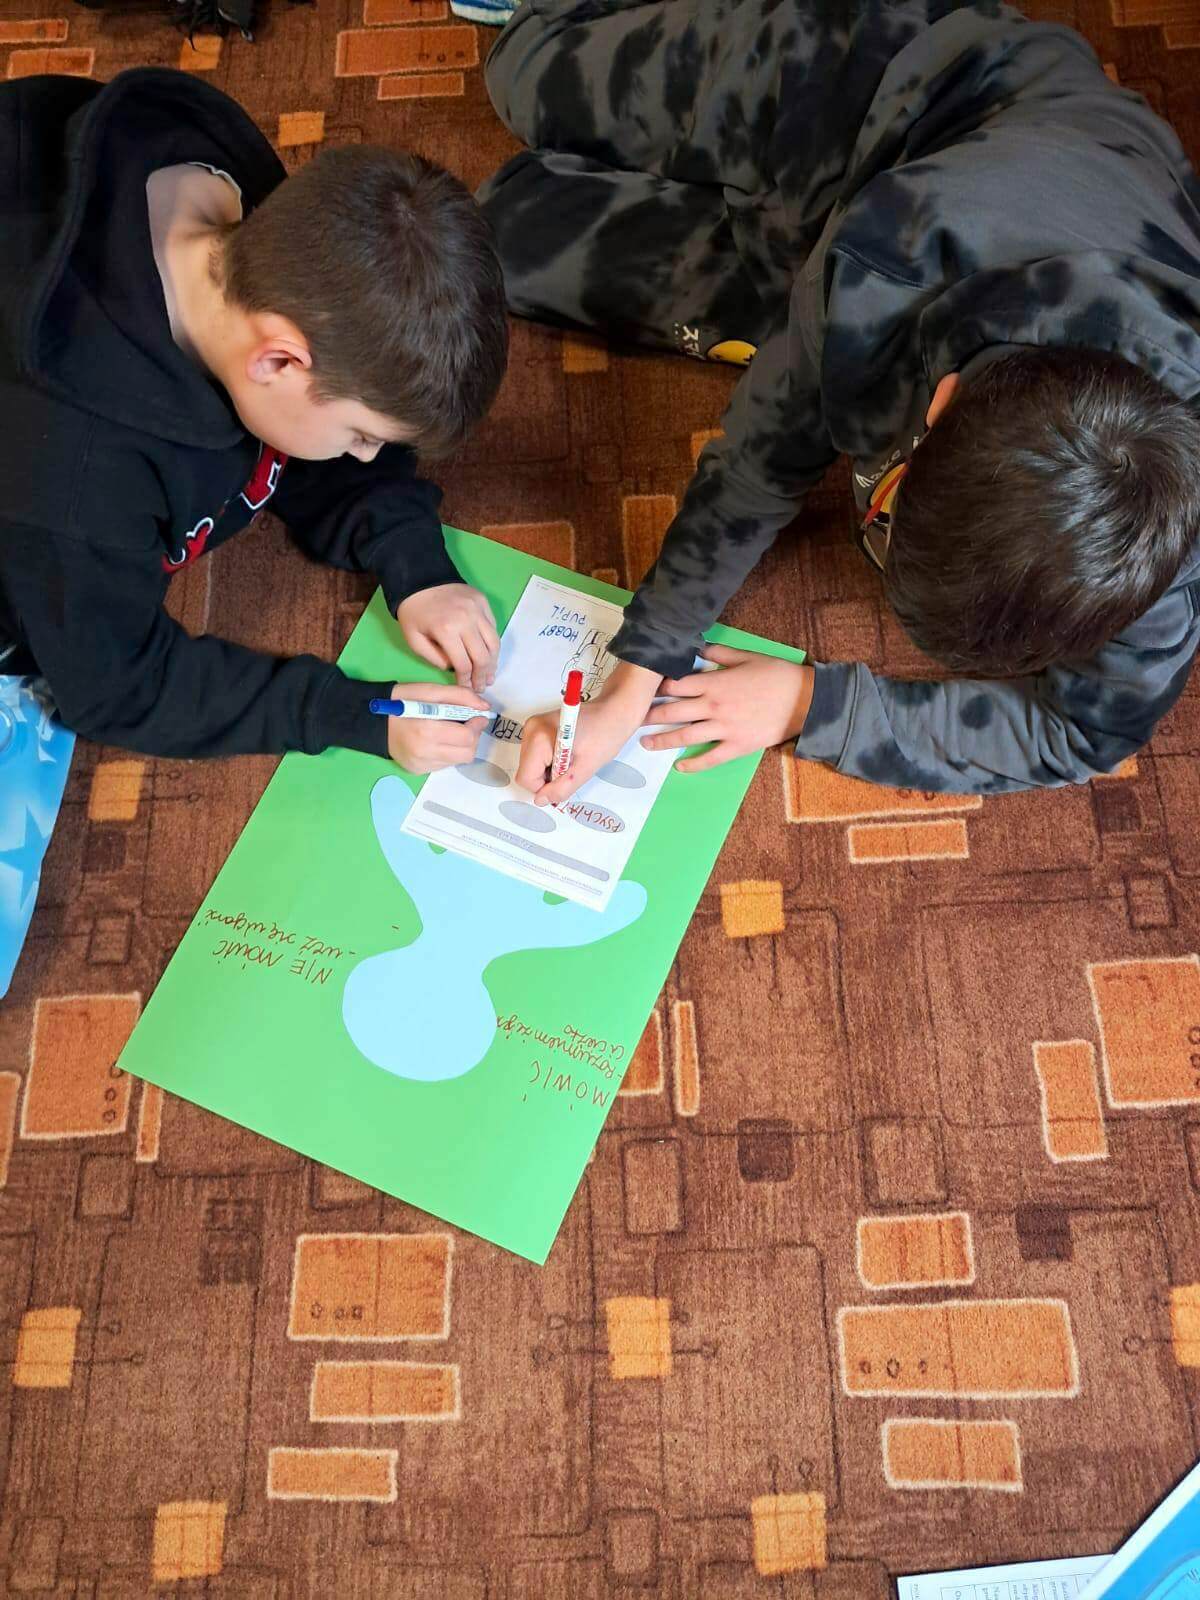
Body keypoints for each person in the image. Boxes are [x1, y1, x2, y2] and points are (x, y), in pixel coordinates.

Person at [477, 0, 1200, 802]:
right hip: (893, 82)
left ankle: (759, 246)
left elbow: (1081, 732)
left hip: (876, 266)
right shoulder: (890, 262)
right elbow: (759, 463)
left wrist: (811, 704)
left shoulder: (1165, 525)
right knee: (521, 78)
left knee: (500, 239)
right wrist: (639, 665)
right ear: (942, 400)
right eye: (893, 499)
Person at [0, 67, 508, 774]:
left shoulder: (259, 217)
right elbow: (118, 687)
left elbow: (328, 395)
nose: (366, 458)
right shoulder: (78, 474)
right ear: (276, 360)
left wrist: (412, 558)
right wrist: (350, 713)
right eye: (363, 437)